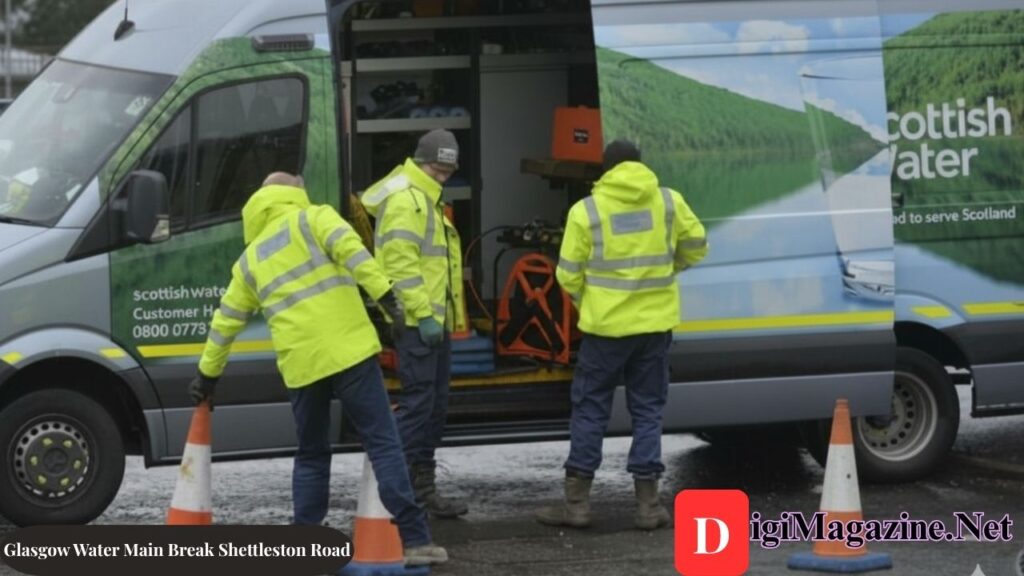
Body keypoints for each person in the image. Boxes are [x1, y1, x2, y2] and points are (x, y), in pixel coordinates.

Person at [188, 172, 447, 565]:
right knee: (382, 443)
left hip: (302, 366)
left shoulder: (250, 259)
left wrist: (207, 375)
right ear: (293, 192)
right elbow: (356, 255)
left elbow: (225, 322)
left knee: (311, 453)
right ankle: (415, 540)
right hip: (350, 353)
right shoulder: (315, 218)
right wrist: (387, 300)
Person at [536, 140, 708, 530]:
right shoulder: (668, 202)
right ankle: (648, 507)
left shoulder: (587, 210)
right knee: (648, 410)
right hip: (654, 326)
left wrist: (589, 302)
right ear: (639, 165)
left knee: (590, 409)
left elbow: (566, 274)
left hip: (605, 330)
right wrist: (668, 270)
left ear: (606, 169)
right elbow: (697, 245)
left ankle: (577, 505)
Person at [360, 129, 469, 518]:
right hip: (418, 323)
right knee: (419, 406)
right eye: (438, 170)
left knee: (434, 408)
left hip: (433, 323)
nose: (443, 177)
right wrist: (422, 315)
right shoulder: (408, 200)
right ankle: (398, 496)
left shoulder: (426, 198)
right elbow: (401, 268)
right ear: (422, 162)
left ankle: (422, 489)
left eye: (447, 172)